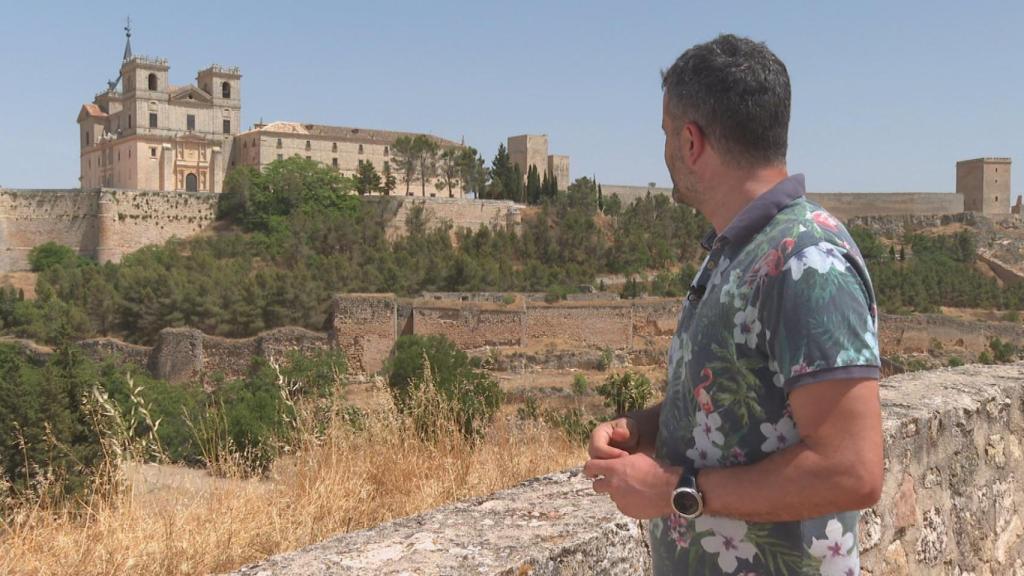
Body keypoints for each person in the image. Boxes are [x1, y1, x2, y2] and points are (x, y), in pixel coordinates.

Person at [583, 34, 883, 575]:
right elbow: (744, 401)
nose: (667, 151)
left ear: (691, 141)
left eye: (666, 134)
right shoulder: (736, 252)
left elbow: (852, 471)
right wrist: (649, 428)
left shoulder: (807, 261)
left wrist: (675, 491)